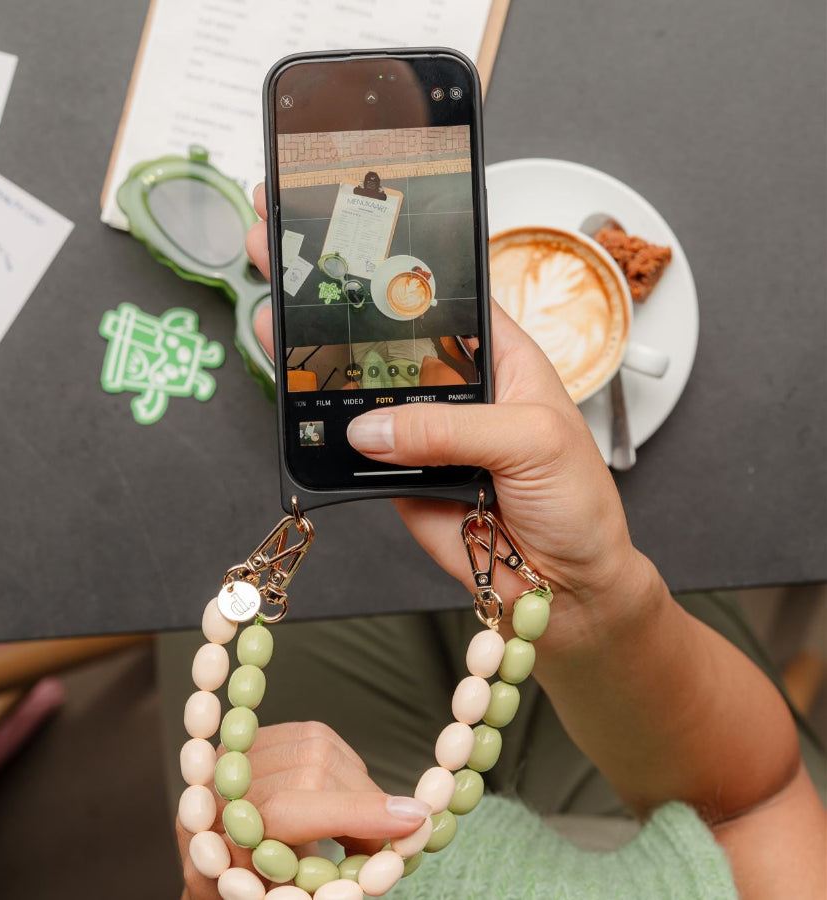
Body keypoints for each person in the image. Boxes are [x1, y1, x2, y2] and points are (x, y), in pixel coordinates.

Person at [171, 185, 826, 899]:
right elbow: (757, 804)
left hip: (353, 831)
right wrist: (591, 596)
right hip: (656, 787)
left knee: (179, 607)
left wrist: (212, 885)